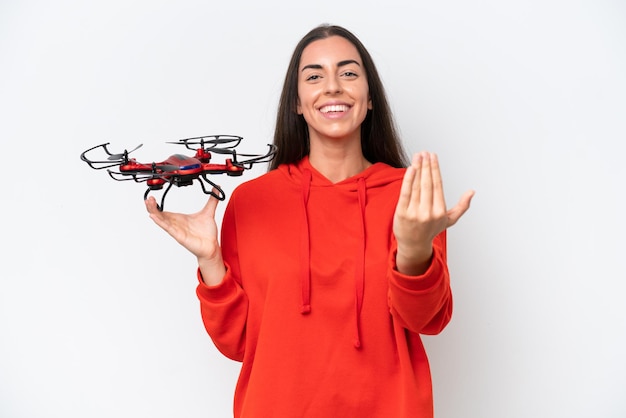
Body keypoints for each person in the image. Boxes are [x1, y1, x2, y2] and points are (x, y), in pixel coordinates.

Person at [146, 24, 474, 418]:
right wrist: (210, 260)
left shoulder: (408, 193)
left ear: (370, 99)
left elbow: (427, 319)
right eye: (315, 76)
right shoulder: (252, 201)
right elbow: (238, 343)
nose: (332, 86)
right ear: (298, 103)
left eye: (349, 73)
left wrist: (416, 248)